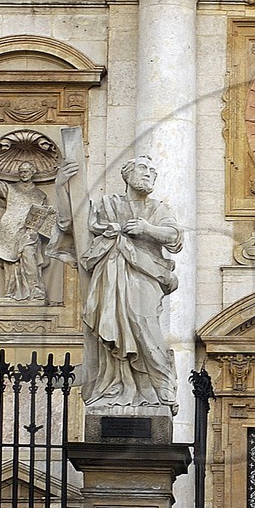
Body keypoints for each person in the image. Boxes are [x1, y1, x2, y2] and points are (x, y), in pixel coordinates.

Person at [78, 155, 183, 414]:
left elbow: (175, 237)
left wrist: (147, 229)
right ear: (127, 175)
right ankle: (116, 387)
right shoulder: (107, 205)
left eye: (153, 171)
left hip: (146, 275)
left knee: (144, 324)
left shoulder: (158, 209)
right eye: (143, 169)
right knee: (110, 326)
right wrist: (61, 185)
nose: (149, 174)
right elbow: (77, 223)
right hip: (111, 274)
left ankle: (162, 384)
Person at [0, 154, 54, 304]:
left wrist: (49, 215)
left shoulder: (40, 195)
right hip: (10, 230)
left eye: (26, 171)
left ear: (33, 172)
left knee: (29, 258)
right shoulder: (10, 188)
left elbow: (43, 217)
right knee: (10, 263)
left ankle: (35, 291)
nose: (24, 174)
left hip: (30, 233)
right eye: (21, 171)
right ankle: (11, 292)